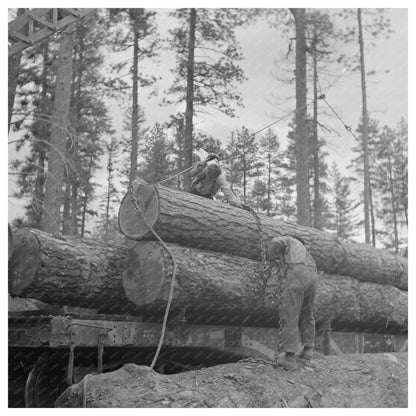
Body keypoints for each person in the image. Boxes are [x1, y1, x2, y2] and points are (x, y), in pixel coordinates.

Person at [267, 235, 318, 371]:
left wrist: (273, 257)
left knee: (290, 314)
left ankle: (289, 358)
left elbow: (276, 242)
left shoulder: (289, 239)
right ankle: (308, 350)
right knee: (307, 313)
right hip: (312, 276)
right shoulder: (306, 253)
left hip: (296, 273)